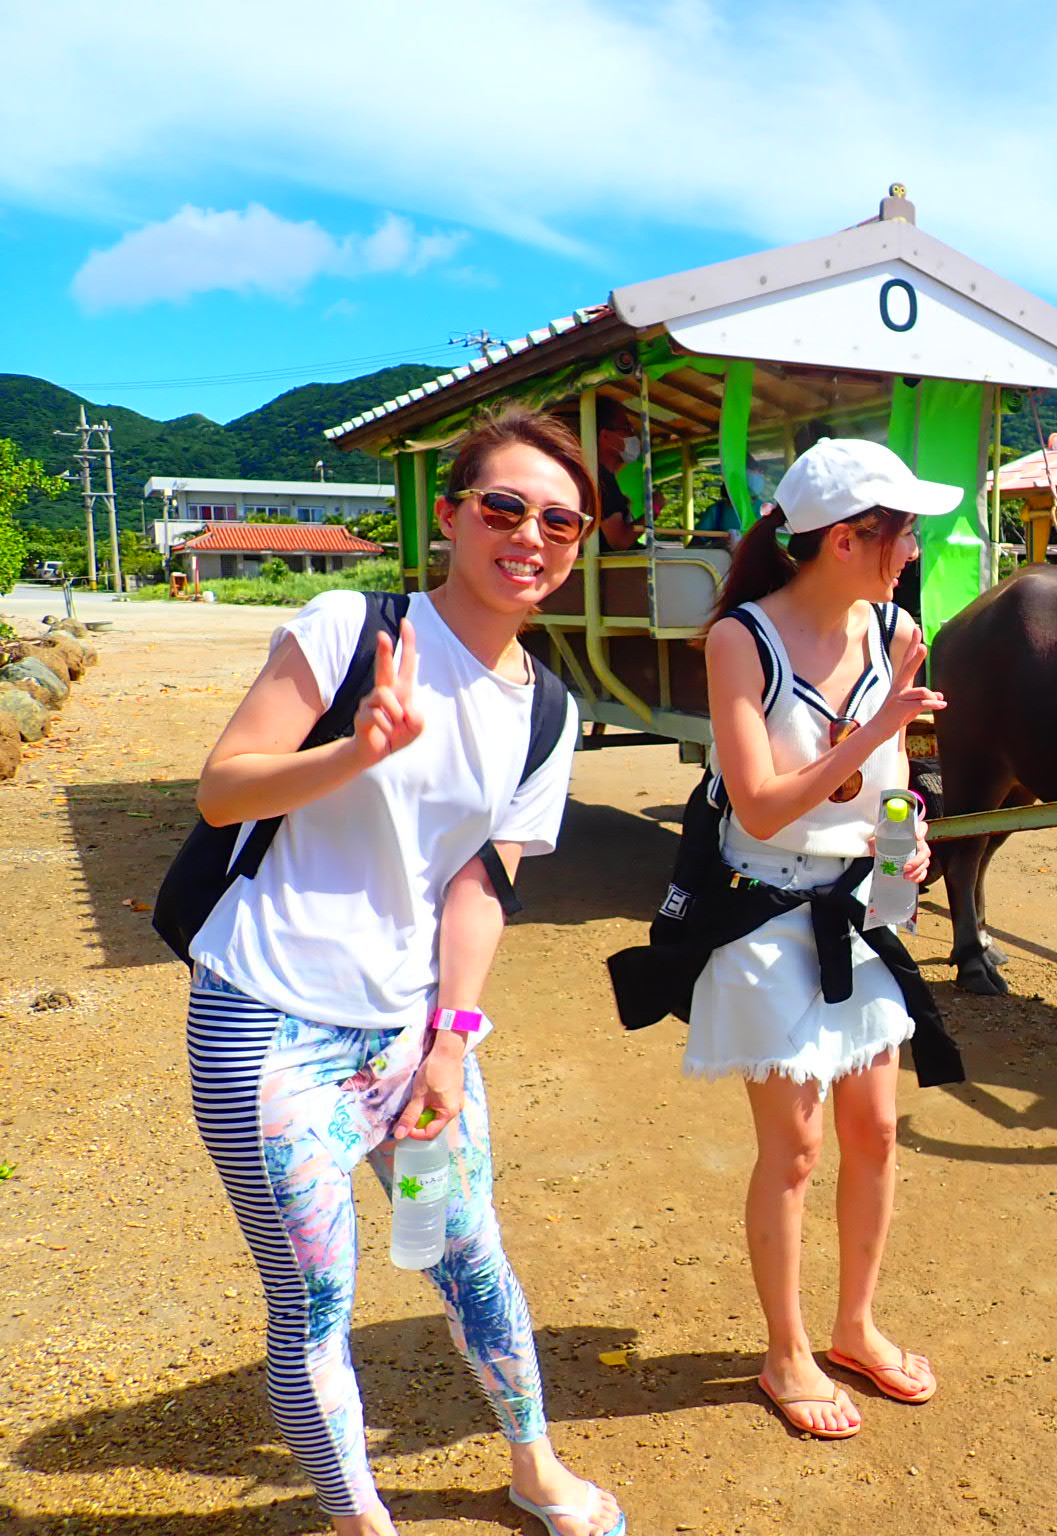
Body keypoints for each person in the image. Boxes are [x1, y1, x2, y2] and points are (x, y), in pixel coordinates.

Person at [184, 405, 624, 1536]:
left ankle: (534, 1469)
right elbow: (225, 787)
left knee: (470, 1255)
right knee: (315, 1300)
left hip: (410, 1032)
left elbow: (483, 881)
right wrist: (353, 750)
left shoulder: (548, 710)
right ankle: (358, 1522)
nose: (531, 535)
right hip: (268, 1021)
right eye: (506, 507)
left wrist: (452, 1035)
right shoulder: (350, 625)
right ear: (452, 515)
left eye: (561, 522)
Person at [693, 437, 958, 1439]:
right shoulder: (740, 641)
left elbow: (887, 776)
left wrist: (910, 835)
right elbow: (757, 809)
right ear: (844, 538)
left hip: (861, 904)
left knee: (875, 1131)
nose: (911, 549)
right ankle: (785, 1350)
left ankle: (854, 1325)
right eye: (901, 532)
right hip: (765, 910)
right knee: (795, 1148)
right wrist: (873, 722)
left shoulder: (890, 625)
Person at [593, 397, 658, 551]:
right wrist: (654, 509)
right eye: (627, 429)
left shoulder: (606, 477)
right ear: (606, 436)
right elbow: (620, 541)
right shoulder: (601, 480)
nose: (633, 437)